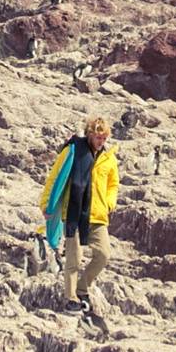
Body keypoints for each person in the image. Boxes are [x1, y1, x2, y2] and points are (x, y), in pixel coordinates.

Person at [39, 116, 120, 312]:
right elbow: (54, 178)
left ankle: (82, 287)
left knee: (103, 255)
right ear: (90, 134)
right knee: (74, 259)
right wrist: (46, 204)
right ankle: (71, 297)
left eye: (104, 137)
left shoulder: (109, 158)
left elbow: (113, 184)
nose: (101, 141)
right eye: (98, 137)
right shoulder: (72, 151)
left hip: (98, 215)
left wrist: (109, 203)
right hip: (74, 213)